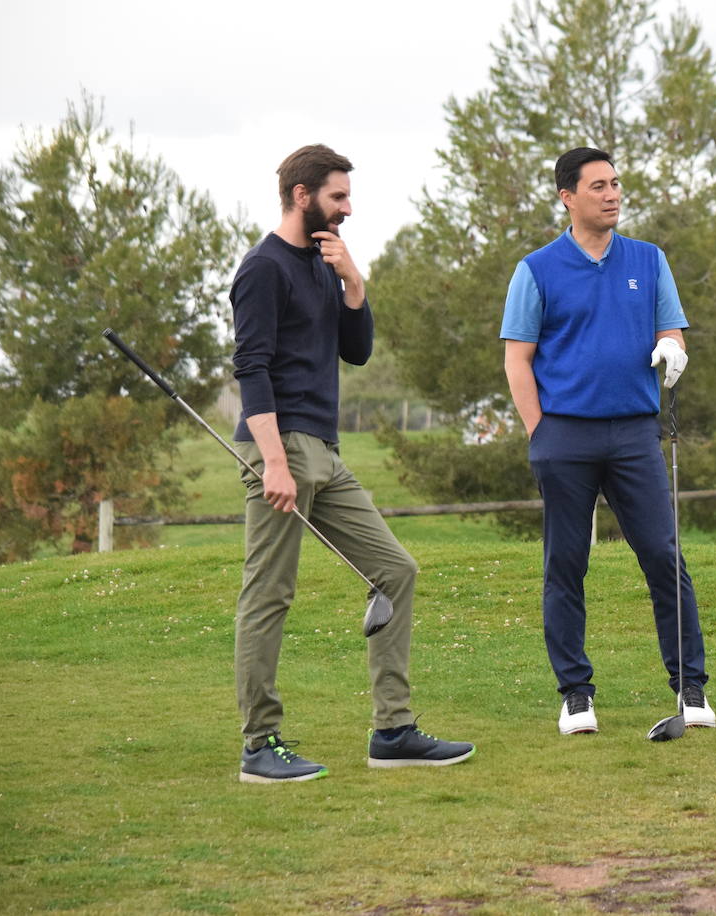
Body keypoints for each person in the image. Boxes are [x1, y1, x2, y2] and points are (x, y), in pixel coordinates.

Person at [230, 144, 475, 781]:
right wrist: (274, 463)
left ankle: (392, 731)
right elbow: (250, 370)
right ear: (302, 195)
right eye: (338, 197)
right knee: (270, 595)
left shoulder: (322, 263)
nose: (347, 209)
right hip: (279, 448)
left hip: (326, 452)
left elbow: (357, 353)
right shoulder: (262, 269)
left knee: (396, 570)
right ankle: (260, 745)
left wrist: (354, 282)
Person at [500, 146, 714, 736]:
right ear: (568, 196)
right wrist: (539, 432)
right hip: (563, 434)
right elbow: (519, 359)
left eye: (616, 183)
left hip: (633, 434)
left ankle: (689, 685)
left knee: (664, 558)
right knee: (565, 565)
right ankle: (575, 693)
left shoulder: (648, 259)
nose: (612, 194)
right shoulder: (536, 269)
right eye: (598, 186)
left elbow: (671, 330)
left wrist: (673, 349)